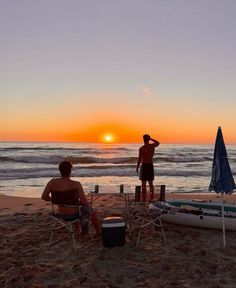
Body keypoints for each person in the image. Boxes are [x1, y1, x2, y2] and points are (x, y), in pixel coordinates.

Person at [41, 160, 100, 236]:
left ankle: (78, 231)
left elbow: (44, 196)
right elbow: (84, 201)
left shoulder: (52, 182)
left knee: (75, 206)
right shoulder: (76, 184)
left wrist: (56, 200)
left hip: (61, 213)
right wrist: (83, 203)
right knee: (91, 210)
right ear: (70, 171)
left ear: (60, 171)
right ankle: (98, 232)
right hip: (75, 214)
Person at [136, 134, 159, 202]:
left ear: (143, 139)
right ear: (148, 139)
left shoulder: (142, 148)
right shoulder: (152, 146)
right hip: (150, 165)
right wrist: (151, 139)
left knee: (143, 184)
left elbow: (139, 159)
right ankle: (151, 198)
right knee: (151, 183)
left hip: (144, 166)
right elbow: (158, 143)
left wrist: (137, 167)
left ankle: (143, 199)